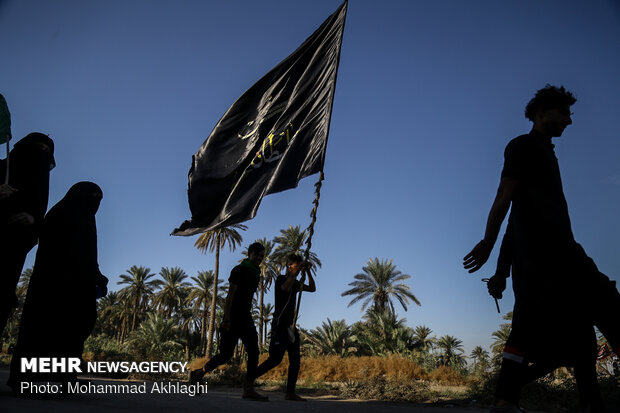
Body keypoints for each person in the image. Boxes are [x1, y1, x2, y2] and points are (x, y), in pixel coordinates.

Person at [463, 85, 611, 412]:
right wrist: (488, 245)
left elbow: (516, 219)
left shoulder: (543, 151)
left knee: (577, 332)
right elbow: (505, 195)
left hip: (557, 257)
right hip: (550, 260)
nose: (569, 120)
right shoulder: (524, 146)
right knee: (602, 309)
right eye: (564, 112)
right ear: (541, 111)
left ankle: (509, 400)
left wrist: (501, 272)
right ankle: (508, 400)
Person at [7, 182, 108, 390]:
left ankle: (64, 377)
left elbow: (90, 256)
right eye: (92, 196)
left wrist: (97, 277)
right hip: (51, 287)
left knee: (73, 331)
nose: (95, 202)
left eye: (99, 198)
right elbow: (48, 237)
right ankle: (27, 379)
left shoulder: (88, 221)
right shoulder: (59, 214)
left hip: (78, 289)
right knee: (42, 329)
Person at [190, 242, 268, 401]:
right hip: (232, 317)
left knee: (253, 352)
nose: (259, 258)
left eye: (261, 256)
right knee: (225, 355)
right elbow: (230, 294)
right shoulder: (239, 270)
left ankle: (248, 389)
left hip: (246, 318)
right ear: (250, 254)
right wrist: (226, 318)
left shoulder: (256, 274)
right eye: (257, 255)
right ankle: (199, 373)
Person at [0, 133, 55, 337]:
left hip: (10, 262)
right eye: (37, 148)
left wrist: (33, 220)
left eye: (46, 152)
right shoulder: (1, 170)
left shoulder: (39, 190)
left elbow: (39, 219)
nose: (40, 155)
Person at [253, 253, 316, 401]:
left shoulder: (296, 283)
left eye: (300, 266)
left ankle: (290, 392)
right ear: (289, 266)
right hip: (279, 324)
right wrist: (298, 270)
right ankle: (249, 379)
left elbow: (312, 288)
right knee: (275, 359)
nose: (299, 269)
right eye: (296, 266)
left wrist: (307, 271)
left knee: (295, 360)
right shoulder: (281, 279)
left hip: (290, 327)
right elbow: (285, 288)